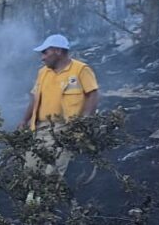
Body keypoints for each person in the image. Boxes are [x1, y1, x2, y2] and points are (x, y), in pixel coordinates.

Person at [18, 34, 100, 181]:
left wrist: (84, 122)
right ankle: (34, 195)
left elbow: (92, 94)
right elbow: (35, 98)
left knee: (53, 172)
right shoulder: (43, 72)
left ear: (58, 51)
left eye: (45, 52)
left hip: (65, 128)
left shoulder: (80, 69)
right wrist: (24, 120)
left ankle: (50, 193)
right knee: (31, 169)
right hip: (41, 129)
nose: (42, 57)